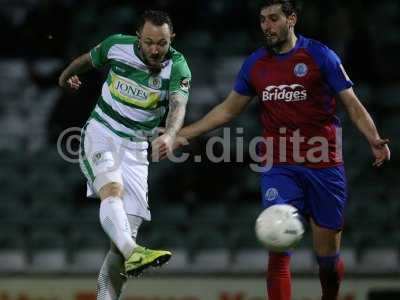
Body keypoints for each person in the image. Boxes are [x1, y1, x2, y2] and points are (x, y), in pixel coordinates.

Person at [154, 1, 391, 300]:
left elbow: (352, 104)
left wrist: (373, 137)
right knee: (278, 248)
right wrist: (180, 134)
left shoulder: (320, 56)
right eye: (263, 20)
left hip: (324, 165)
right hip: (279, 166)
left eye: (274, 18)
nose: (267, 26)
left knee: (327, 260)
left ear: (292, 19)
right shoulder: (256, 64)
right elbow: (228, 110)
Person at [58, 10, 191, 300]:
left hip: (136, 149)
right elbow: (87, 59)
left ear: (172, 40)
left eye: (163, 43)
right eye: (149, 42)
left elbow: (179, 106)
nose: (155, 50)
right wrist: (67, 75)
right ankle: (135, 251)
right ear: (138, 37)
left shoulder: (178, 67)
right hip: (102, 132)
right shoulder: (116, 45)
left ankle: (123, 264)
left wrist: (169, 134)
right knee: (112, 191)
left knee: (120, 246)